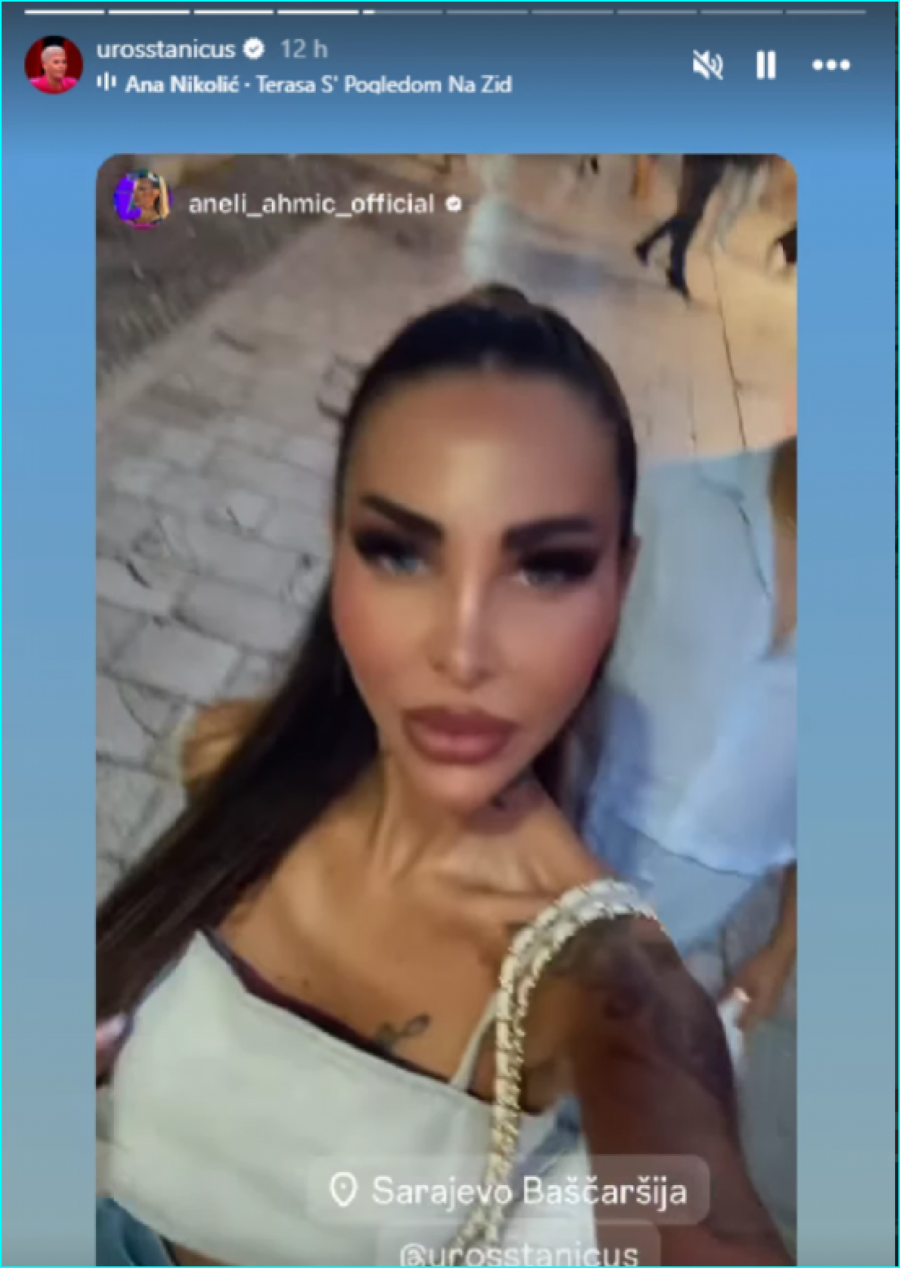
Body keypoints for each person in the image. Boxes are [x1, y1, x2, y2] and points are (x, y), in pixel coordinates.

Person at [96, 284, 644, 1265]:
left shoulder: (592, 978)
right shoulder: (227, 759)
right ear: (336, 546)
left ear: (622, 582)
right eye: (398, 552)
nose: (461, 651)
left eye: (547, 566)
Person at [582, 432, 797, 1025]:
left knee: (603, 1046)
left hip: (707, 894)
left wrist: (780, 952)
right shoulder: (674, 490)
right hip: (573, 819)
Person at [633, 154, 730, 301]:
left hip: (706, 162)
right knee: (690, 215)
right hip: (706, 162)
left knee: (691, 215)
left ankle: (667, 261)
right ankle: (655, 251)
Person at [711, 156, 773, 253]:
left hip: (760, 164)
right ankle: (717, 238)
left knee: (747, 204)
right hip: (741, 162)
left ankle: (722, 234)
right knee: (732, 202)